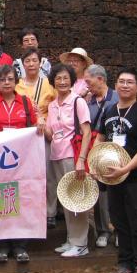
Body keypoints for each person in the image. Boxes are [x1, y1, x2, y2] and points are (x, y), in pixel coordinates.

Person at [102, 68, 137, 273]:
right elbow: (100, 137)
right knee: (119, 221)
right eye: (121, 81)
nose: (125, 85)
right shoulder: (109, 110)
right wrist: (96, 163)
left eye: (130, 82)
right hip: (113, 177)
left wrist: (126, 169)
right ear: (116, 85)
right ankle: (125, 263)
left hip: (136, 177)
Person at [0, 64, 38, 263]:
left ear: (16, 82)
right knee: (0, 201)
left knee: (21, 201)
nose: (6, 83)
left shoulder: (26, 102)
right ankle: (1, 246)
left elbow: (34, 129)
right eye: (2, 79)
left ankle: (20, 246)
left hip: (23, 161)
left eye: (10, 79)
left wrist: (40, 128)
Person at [46, 63, 92, 258]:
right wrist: (39, 124)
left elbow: (87, 131)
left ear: (72, 80)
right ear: (53, 82)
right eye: (58, 78)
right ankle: (71, 240)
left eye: (66, 78)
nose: (62, 81)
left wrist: (81, 159)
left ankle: (81, 243)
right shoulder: (52, 104)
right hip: (56, 155)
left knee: (76, 199)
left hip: (72, 156)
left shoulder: (77, 102)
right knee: (65, 199)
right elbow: (50, 134)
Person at [15, 48, 56, 228]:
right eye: (27, 61)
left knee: (48, 173)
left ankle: (50, 212)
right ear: (23, 64)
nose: (31, 64)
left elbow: (55, 106)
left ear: (40, 63)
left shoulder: (49, 84)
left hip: (45, 131)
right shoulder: (17, 85)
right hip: (25, 135)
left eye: (34, 60)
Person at [85, 64, 118, 249]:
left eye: (89, 81)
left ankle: (119, 230)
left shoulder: (116, 98)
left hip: (114, 151)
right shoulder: (88, 101)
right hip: (94, 149)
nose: (87, 85)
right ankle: (103, 230)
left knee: (117, 190)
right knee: (100, 192)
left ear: (101, 79)